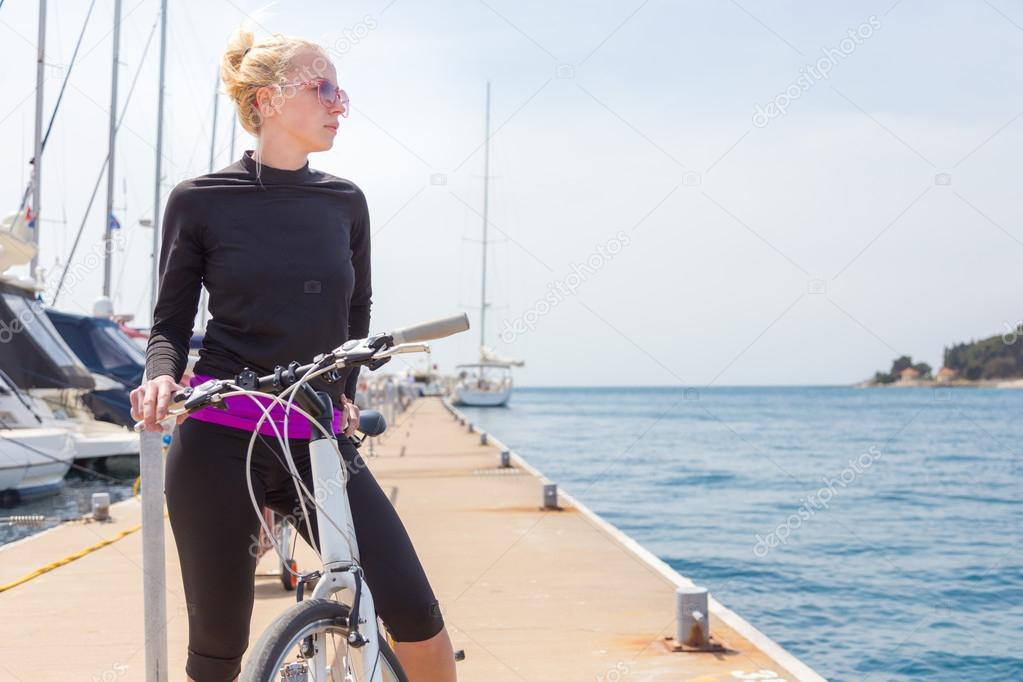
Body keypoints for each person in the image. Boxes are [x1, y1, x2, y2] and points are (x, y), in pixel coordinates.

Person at [129, 27, 457, 682]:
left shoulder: (344, 202)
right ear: (268, 100)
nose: (341, 104)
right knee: (218, 647)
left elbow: (355, 313)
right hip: (222, 435)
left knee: (413, 608)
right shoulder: (198, 200)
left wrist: (346, 389)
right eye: (325, 88)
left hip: (318, 438)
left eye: (342, 91)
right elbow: (169, 324)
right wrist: (161, 380)